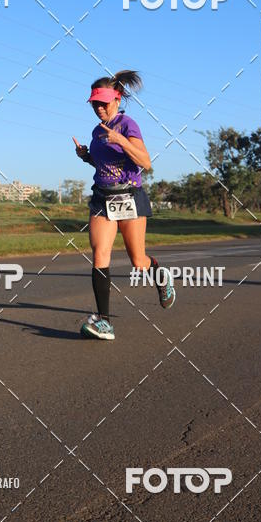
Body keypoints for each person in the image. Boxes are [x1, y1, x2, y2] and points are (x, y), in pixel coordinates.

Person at [73, 70, 174, 340]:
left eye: (104, 102)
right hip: (102, 198)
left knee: (138, 261)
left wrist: (120, 140)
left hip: (129, 197)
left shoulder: (128, 125)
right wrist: (86, 157)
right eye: (95, 103)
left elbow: (145, 162)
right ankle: (104, 321)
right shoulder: (96, 131)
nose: (99, 108)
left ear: (117, 99)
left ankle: (160, 276)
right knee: (99, 256)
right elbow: (104, 165)